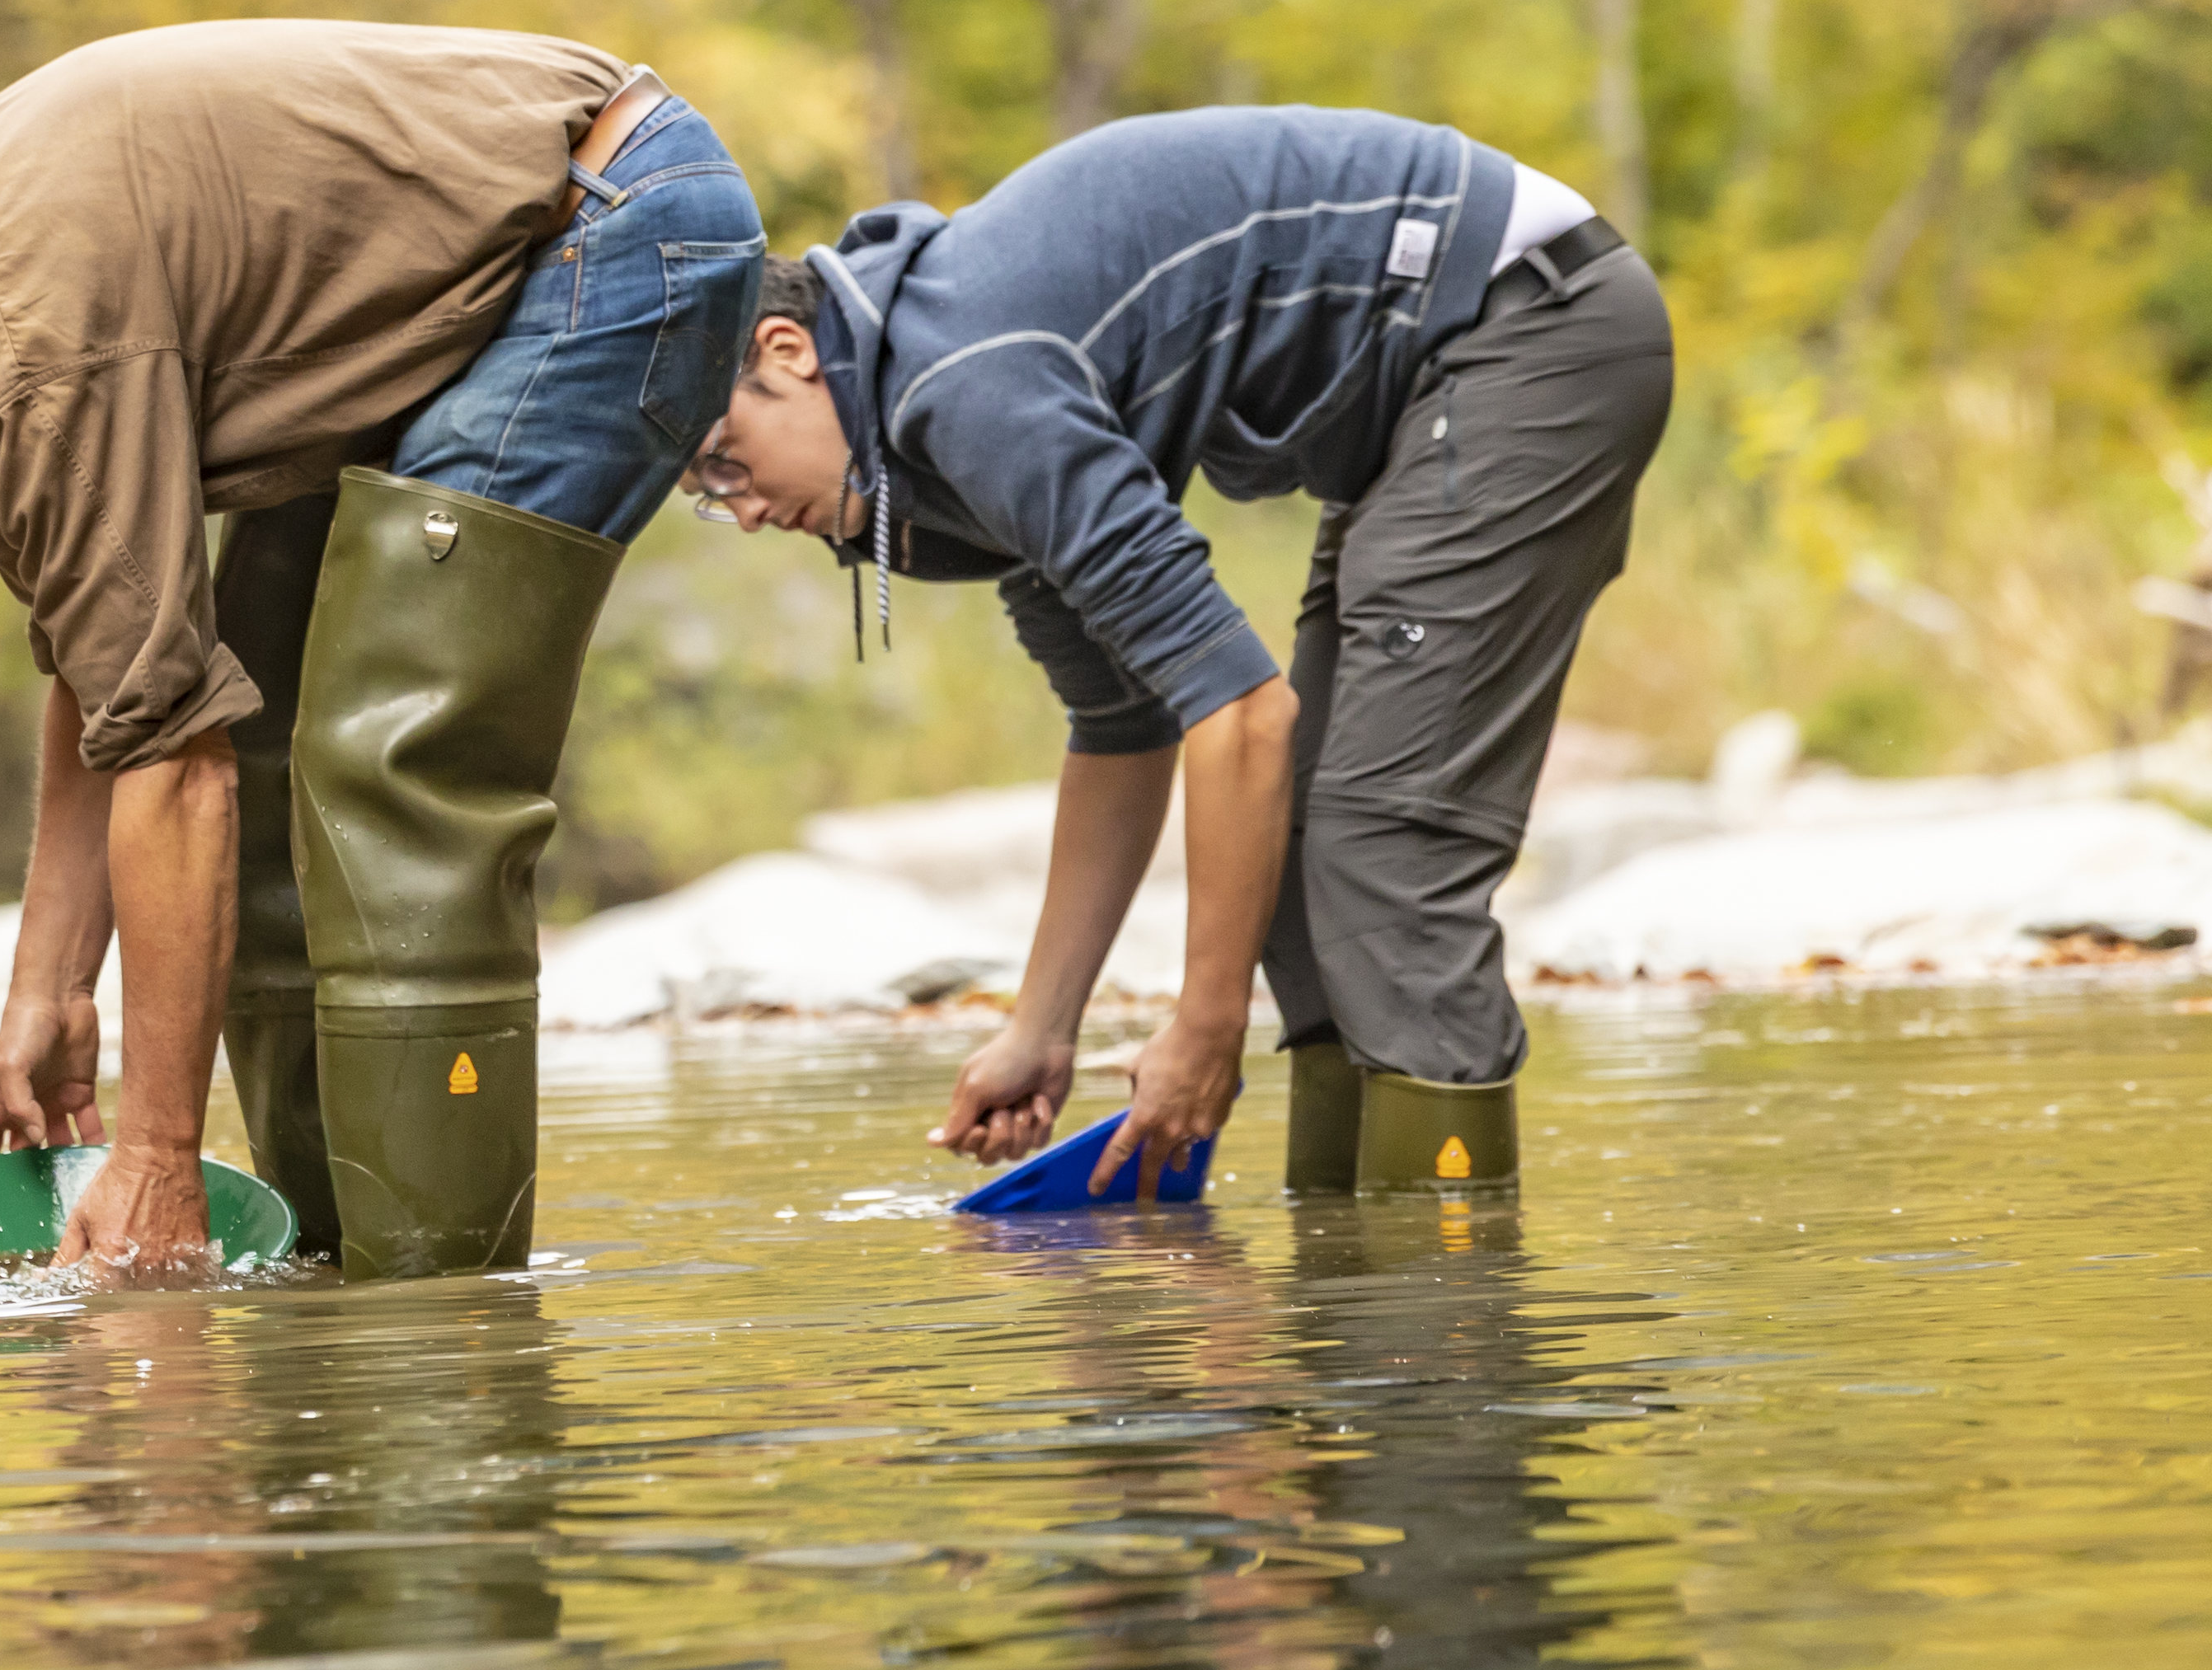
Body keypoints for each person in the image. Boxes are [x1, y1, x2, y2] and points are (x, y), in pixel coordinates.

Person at [0, 21, 764, 1282]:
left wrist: (157, 1154)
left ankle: (440, 1334)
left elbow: (173, 761)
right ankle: (325, 1275)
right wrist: (45, 991)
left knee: (389, 775)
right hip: (495, 281)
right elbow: (110, 680)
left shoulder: (19, 345)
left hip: (608, 228)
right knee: (267, 768)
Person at [686, 106, 1674, 1195]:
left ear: (790, 352)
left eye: (724, 460)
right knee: (1298, 867)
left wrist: (1207, 1032)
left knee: (1386, 860)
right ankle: (1357, 1313)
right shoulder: (933, 425)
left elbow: (1241, 713)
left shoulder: (966, 384)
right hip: (1435, 384)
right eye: (701, 498)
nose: (737, 510)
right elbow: (1122, 726)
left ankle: (1446, 1318)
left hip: (1526, 325)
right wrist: (1041, 1029)